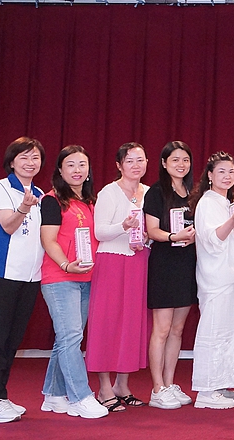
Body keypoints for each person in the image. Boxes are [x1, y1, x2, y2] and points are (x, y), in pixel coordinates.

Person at [39, 145, 108, 419]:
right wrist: (66, 265)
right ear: (60, 170)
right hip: (60, 278)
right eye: (70, 165)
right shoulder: (52, 200)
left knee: (67, 337)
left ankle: (54, 395)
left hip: (87, 277)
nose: (77, 170)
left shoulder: (91, 201)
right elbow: (48, 240)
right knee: (71, 337)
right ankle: (81, 396)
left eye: (82, 164)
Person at [0, 137, 45, 423]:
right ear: (12, 161)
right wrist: (23, 208)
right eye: (24, 157)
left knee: (14, 338)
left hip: (31, 276)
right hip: (3, 274)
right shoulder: (0, 188)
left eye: (35, 158)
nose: (30, 163)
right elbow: (7, 226)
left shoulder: (40, 193)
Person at [88, 142, 151, 412]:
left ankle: (122, 385)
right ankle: (104, 388)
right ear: (119, 165)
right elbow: (100, 232)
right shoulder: (109, 192)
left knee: (132, 323)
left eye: (140, 160)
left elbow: (152, 229)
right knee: (107, 322)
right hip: (112, 262)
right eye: (129, 160)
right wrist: (123, 226)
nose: (136, 165)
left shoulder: (149, 192)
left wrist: (146, 237)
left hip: (139, 261)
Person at [190, 152, 234, 408]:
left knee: (230, 330)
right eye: (221, 171)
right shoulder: (207, 202)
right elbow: (213, 238)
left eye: (231, 171)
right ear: (210, 175)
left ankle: (220, 382)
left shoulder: (227, 203)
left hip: (233, 274)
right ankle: (205, 390)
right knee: (213, 330)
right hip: (217, 277)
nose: (227, 176)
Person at [143, 141, 197, 409]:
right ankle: (157, 388)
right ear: (164, 163)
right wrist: (174, 236)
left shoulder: (194, 192)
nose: (181, 164)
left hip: (187, 263)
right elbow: (151, 230)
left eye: (185, 160)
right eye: (175, 160)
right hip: (164, 263)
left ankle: (169, 382)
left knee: (177, 329)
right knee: (162, 329)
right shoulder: (156, 192)